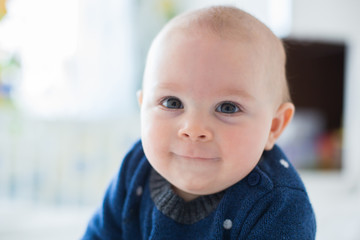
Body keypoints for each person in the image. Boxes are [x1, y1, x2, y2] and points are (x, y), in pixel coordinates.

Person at [82, 5, 316, 239]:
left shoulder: (278, 205)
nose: (193, 129)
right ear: (143, 107)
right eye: (172, 103)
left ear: (273, 127)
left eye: (228, 108)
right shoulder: (136, 167)